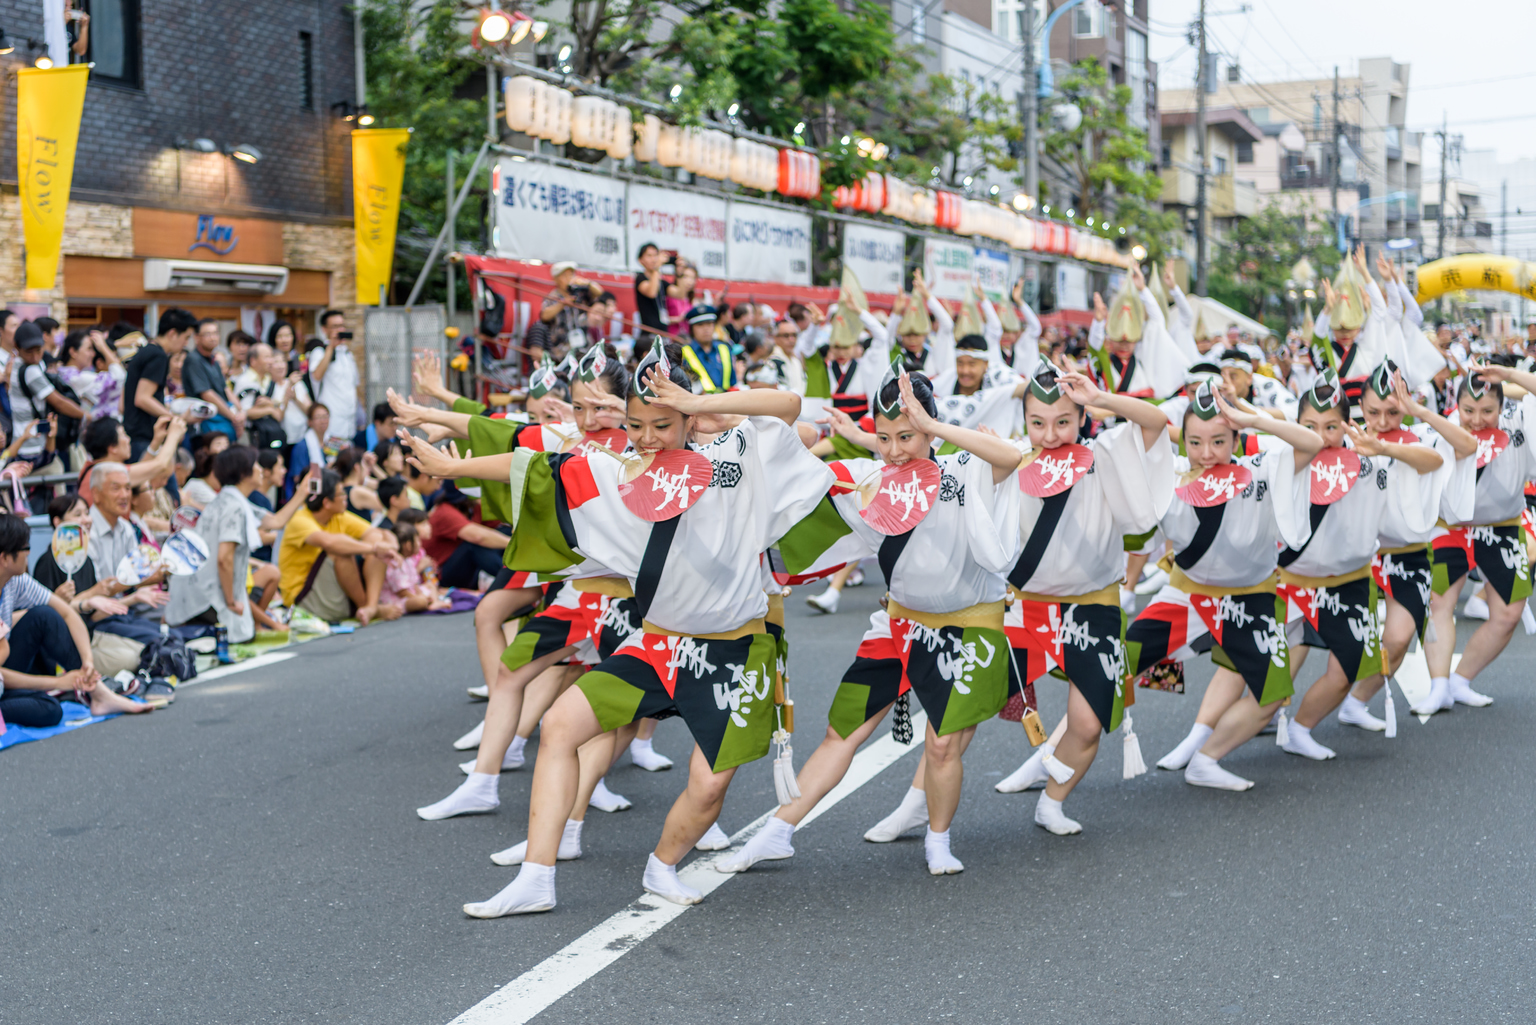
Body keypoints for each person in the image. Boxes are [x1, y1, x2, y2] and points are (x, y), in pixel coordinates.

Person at [408, 339, 833, 917]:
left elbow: (787, 405)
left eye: (663, 423)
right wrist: (455, 467)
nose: (648, 437)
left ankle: (661, 866)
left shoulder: (738, 454)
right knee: (560, 727)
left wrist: (704, 399)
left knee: (709, 787)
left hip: (735, 652)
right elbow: (536, 465)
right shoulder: (618, 469)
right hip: (657, 643)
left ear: (690, 418)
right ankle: (538, 875)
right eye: (636, 424)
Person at [722, 370, 1023, 876]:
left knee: (944, 743)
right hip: (898, 626)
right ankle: (778, 831)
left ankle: (938, 838)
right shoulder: (869, 481)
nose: (894, 450)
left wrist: (932, 425)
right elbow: (799, 482)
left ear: (931, 430)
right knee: (843, 732)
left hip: (968, 630)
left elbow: (1011, 457)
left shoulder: (966, 468)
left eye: (906, 436)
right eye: (884, 438)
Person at [958, 363, 1172, 836]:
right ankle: (922, 802)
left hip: (1092, 607)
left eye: (1063, 422)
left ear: (1082, 419)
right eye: (1037, 422)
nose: (1050, 434)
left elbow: (1155, 423)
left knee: (1089, 723)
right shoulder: (1011, 456)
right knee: (962, 709)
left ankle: (1053, 802)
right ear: (1024, 421)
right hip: (1022, 608)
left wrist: (1103, 397)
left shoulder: (1106, 456)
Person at [1116, 383, 1319, 789]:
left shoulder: (1261, 470)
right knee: (1114, 665)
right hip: (1187, 597)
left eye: (1218, 441)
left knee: (1273, 696)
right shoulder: (1171, 476)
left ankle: (1205, 760)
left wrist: (1254, 418)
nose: (1206, 453)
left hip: (1251, 600)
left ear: (1237, 440)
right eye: (1194, 442)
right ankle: (1051, 757)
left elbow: (1311, 443)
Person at [1337, 367, 1476, 728]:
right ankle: (1276, 710)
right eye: (1372, 412)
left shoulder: (1421, 435)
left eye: (1393, 411)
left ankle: (1355, 702)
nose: (1382, 420)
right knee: (1337, 646)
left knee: (1397, 641)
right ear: (1359, 407)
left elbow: (1465, 447)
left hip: (1407, 555)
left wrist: (1419, 413)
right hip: (1351, 558)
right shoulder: (1341, 439)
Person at [1417, 361, 1536, 713]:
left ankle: (1460, 680)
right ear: (1457, 406)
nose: (1478, 419)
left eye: (1488, 411)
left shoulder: (1520, 423)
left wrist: (1512, 376)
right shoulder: (1444, 428)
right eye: (1469, 410)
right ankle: (1438, 684)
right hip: (1449, 527)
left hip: (1502, 527)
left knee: (1508, 614)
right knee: (1440, 603)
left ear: (1503, 407)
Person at [0, 514, 152, 726]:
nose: (29, 554)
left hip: (4, 675)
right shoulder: (44, 565)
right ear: (4, 558)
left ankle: (98, 692)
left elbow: (66, 613)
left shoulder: (16, 581)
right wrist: (59, 681)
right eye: (25, 548)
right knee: (49, 711)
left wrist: (87, 661)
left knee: (44, 615)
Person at [167, 446, 307, 643]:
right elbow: (225, 559)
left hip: (199, 590)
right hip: (204, 596)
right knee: (240, 637)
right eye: (256, 465)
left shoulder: (232, 499)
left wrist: (302, 492)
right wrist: (231, 601)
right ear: (244, 473)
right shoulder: (232, 506)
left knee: (245, 633)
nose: (260, 469)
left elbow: (275, 522)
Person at [276, 468, 401, 626]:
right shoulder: (300, 520)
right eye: (341, 494)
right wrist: (374, 548)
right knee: (341, 550)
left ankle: (370, 607)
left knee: (374, 549)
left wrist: (384, 545)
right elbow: (330, 543)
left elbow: (375, 534)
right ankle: (366, 606)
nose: (345, 497)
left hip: (331, 592)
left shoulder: (338, 516)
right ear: (326, 502)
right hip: (304, 600)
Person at [123, 309, 197, 459]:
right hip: (143, 438)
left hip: (134, 435)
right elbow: (142, 398)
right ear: (172, 333)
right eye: (186, 337)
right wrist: (175, 420)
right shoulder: (158, 355)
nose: (186, 343)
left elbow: (124, 402)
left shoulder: (145, 352)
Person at [184, 319, 244, 441]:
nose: (213, 338)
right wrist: (233, 417)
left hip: (223, 415)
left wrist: (240, 412)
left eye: (216, 333)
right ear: (197, 338)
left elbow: (225, 389)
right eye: (208, 334)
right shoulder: (193, 359)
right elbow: (206, 394)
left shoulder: (214, 360)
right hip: (207, 421)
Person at [310, 310, 359, 449]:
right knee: (333, 462)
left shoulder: (348, 354)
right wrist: (331, 346)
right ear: (324, 329)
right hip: (331, 424)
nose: (340, 330)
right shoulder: (319, 352)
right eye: (335, 326)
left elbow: (353, 386)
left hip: (349, 423)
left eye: (342, 326)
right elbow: (317, 375)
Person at [56, 328, 126, 423]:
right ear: (73, 352)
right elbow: (119, 377)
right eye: (89, 349)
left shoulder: (63, 372)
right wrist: (103, 347)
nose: (93, 354)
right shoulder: (75, 377)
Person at [232, 342, 286, 453]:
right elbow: (243, 413)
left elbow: (279, 415)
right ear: (253, 360)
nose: (271, 361)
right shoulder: (245, 381)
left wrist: (269, 405)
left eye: (271, 357)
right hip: (251, 438)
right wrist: (270, 409)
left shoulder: (270, 380)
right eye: (267, 357)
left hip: (270, 436)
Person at [679, 305, 734, 392]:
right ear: (692, 329)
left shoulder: (724, 348)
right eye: (700, 325)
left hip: (726, 400)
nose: (706, 329)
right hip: (698, 401)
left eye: (709, 324)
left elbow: (732, 381)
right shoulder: (683, 353)